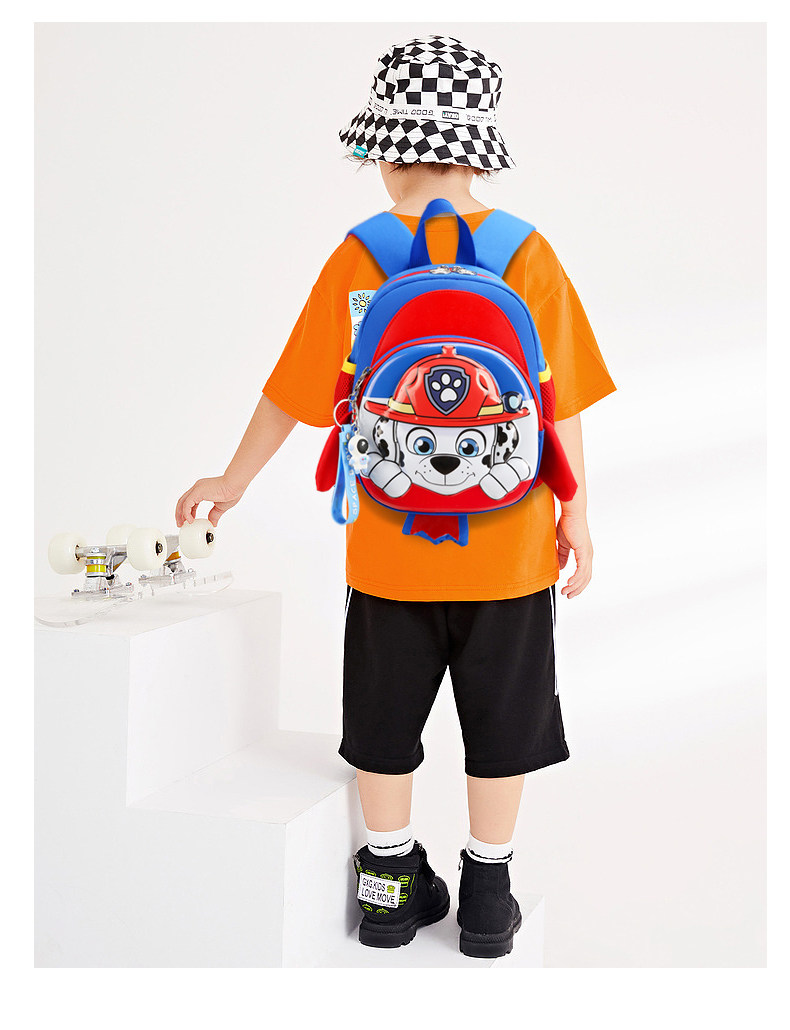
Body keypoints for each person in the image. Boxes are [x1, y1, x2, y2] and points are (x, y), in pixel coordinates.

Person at [175, 34, 615, 959]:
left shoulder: (360, 255)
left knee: (383, 726)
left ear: (384, 148)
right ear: (476, 152)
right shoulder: (525, 252)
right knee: (502, 726)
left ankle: (385, 893)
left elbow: (294, 391)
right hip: (509, 553)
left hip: (386, 554)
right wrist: (575, 513)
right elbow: (559, 400)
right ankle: (488, 898)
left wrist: (232, 480)